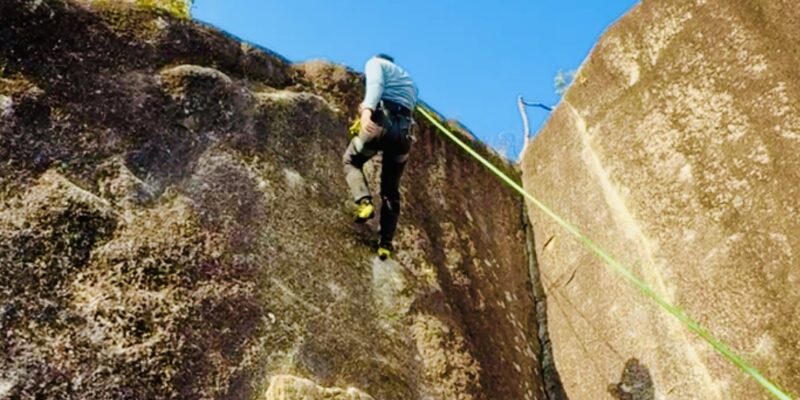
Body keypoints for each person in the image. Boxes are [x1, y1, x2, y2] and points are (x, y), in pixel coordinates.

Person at [343, 54, 418, 260]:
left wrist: (366, 111)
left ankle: (364, 202)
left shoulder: (375, 63)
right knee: (390, 189)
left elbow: (376, 84)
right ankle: (385, 243)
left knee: (351, 161)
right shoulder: (410, 84)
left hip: (381, 124)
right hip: (403, 135)